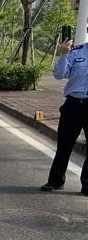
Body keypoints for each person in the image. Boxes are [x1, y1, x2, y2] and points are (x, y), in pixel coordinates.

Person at [40, 31, 88, 194]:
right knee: (64, 146)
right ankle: (55, 181)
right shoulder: (76, 51)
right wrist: (64, 54)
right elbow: (59, 75)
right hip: (73, 105)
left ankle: (87, 184)